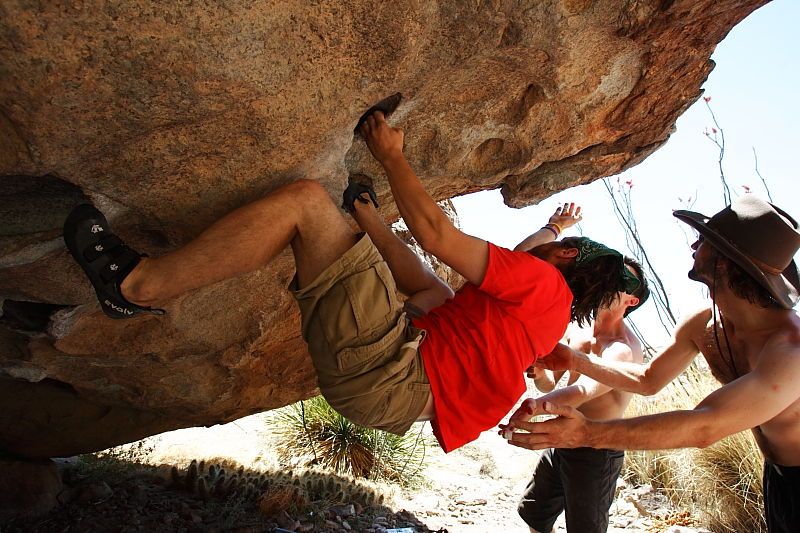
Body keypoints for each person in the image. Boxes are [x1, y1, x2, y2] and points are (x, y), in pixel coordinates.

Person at [63, 111, 630, 453]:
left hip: (391, 374)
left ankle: (138, 287)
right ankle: (363, 214)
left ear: (568, 254)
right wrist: (368, 215)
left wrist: (391, 156)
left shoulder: (544, 286)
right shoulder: (543, 319)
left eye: (554, 245)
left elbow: (434, 233)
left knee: (307, 205)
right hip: (395, 395)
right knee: (440, 294)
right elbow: (443, 277)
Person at [503, 195, 800, 532]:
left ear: (726, 262)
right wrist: (575, 359)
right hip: (777, 476)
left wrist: (586, 434)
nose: (694, 243)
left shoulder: (791, 351)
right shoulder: (704, 323)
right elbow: (647, 380)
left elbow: (705, 427)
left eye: (705, 240)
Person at [514, 245, 649, 533]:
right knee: (535, 515)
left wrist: (537, 406)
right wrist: (538, 374)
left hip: (597, 450)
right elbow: (551, 383)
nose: (613, 282)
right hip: (564, 438)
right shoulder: (578, 332)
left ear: (632, 300)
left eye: (624, 281)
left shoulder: (622, 349)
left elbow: (585, 390)